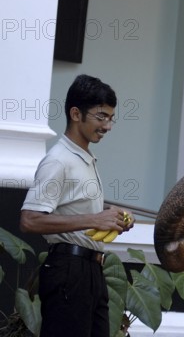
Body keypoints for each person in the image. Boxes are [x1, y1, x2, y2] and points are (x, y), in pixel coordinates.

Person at [20, 74, 135, 337]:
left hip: (91, 270)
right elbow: (29, 220)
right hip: (68, 270)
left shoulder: (84, 158)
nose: (108, 126)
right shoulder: (58, 160)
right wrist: (93, 220)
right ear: (75, 113)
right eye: (101, 116)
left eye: (111, 118)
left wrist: (110, 217)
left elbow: (74, 207)